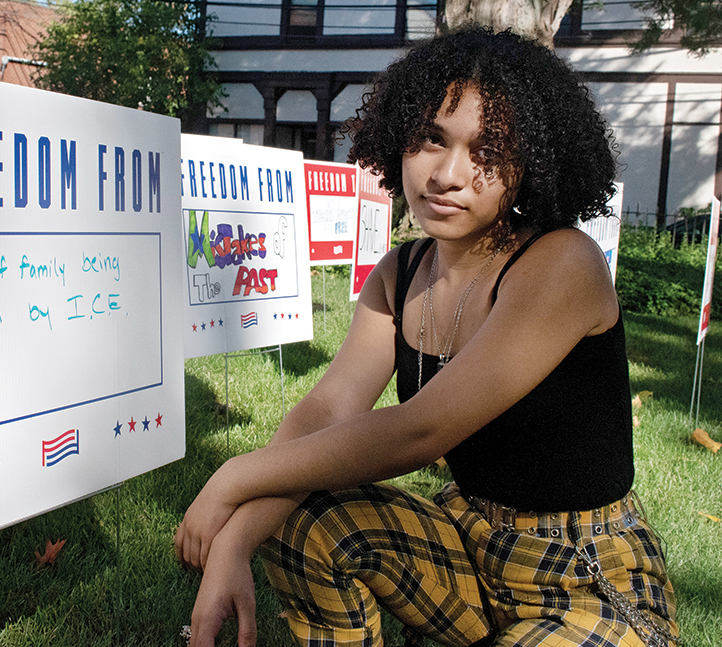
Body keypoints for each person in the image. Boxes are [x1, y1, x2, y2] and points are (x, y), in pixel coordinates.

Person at [175, 27, 680, 647]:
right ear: (399, 141)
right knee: (302, 515)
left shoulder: (562, 263)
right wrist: (238, 538)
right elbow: (327, 411)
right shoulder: (401, 272)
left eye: (487, 149)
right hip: (464, 549)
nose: (448, 173)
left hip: (582, 578)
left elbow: (421, 429)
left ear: (531, 165)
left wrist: (232, 478)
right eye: (431, 140)